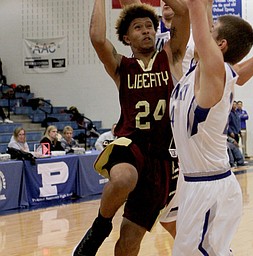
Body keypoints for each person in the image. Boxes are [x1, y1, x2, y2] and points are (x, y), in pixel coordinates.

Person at [169, 0, 253, 253]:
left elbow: (196, 9)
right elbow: (243, 71)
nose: (208, 27)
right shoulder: (210, 72)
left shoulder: (213, 69)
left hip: (208, 187)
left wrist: (199, 6)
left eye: (213, 27)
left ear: (220, 45)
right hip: (198, 184)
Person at [73, 1, 189, 255]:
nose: (146, 30)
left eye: (149, 26)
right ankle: (100, 226)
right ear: (126, 37)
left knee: (128, 242)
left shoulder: (170, 56)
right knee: (124, 177)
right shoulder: (121, 66)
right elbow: (96, 37)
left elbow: (182, 12)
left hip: (161, 158)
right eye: (138, 27)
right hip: (130, 143)